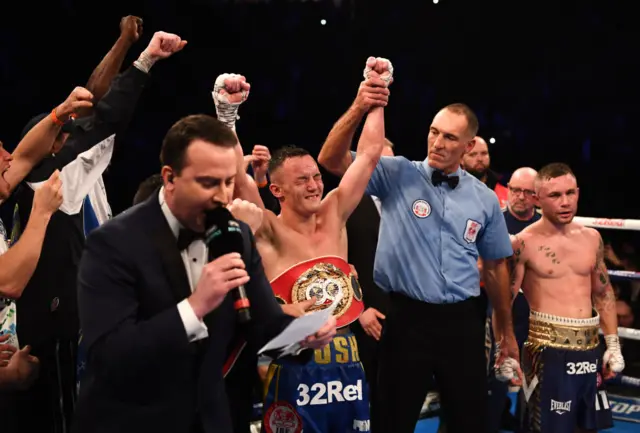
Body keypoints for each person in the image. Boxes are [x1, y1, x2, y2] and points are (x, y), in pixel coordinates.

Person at [72, 113, 336, 433]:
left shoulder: (234, 233)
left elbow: (265, 326)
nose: (222, 196)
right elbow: (110, 356)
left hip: (211, 421)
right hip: (132, 420)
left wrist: (303, 338)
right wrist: (195, 306)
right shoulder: (113, 244)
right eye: (208, 182)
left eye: (228, 182)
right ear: (170, 178)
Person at [318, 98, 520, 433]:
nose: (438, 143)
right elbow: (330, 159)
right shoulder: (396, 173)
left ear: (469, 146)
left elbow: (496, 266)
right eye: (433, 132)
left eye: (450, 138)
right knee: (393, 419)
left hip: (463, 321)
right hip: (406, 320)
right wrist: (360, 105)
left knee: (469, 420)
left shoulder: (484, 199)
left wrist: (506, 330)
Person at [226, 57, 392, 433]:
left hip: (347, 355)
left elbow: (367, 156)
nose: (315, 185)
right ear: (278, 188)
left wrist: (377, 97)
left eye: (316, 176)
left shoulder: (335, 211)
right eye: (303, 180)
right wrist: (227, 116)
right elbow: (236, 174)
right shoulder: (266, 227)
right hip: (291, 358)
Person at [509, 163, 624, 433]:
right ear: (537, 200)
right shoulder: (523, 243)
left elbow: (603, 292)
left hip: (589, 348)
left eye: (570, 193)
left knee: (587, 427)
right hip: (546, 352)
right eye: (555, 195)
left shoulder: (592, 238)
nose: (565, 202)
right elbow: (505, 301)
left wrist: (613, 344)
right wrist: (505, 348)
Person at [486, 167, 541, 433]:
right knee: (494, 379)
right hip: (498, 310)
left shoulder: (546, 228)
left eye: (527, 192)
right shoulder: (493, 221)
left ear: (537, 195)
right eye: (515, 190)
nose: (519, 197)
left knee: (533, 381)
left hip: (534, 315)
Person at [461, 136, 508, 209]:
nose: (480, 159)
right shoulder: (449, 190)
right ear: (461, 159)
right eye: (473, 154)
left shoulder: (504, 190)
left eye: (484, 153)